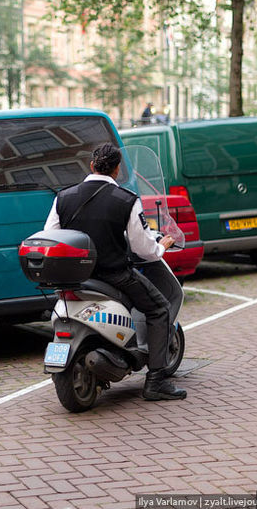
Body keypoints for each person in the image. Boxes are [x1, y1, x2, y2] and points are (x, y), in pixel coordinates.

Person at [44, 143, 187, 401]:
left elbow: (52, 235)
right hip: (114, 276)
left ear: (91, 165)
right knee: (159, 308)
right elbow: (144, 248)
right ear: (117, 169)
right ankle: (156, 381)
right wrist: (162, 245)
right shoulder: (126, 200)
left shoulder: (63, 197)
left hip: (76, 279)